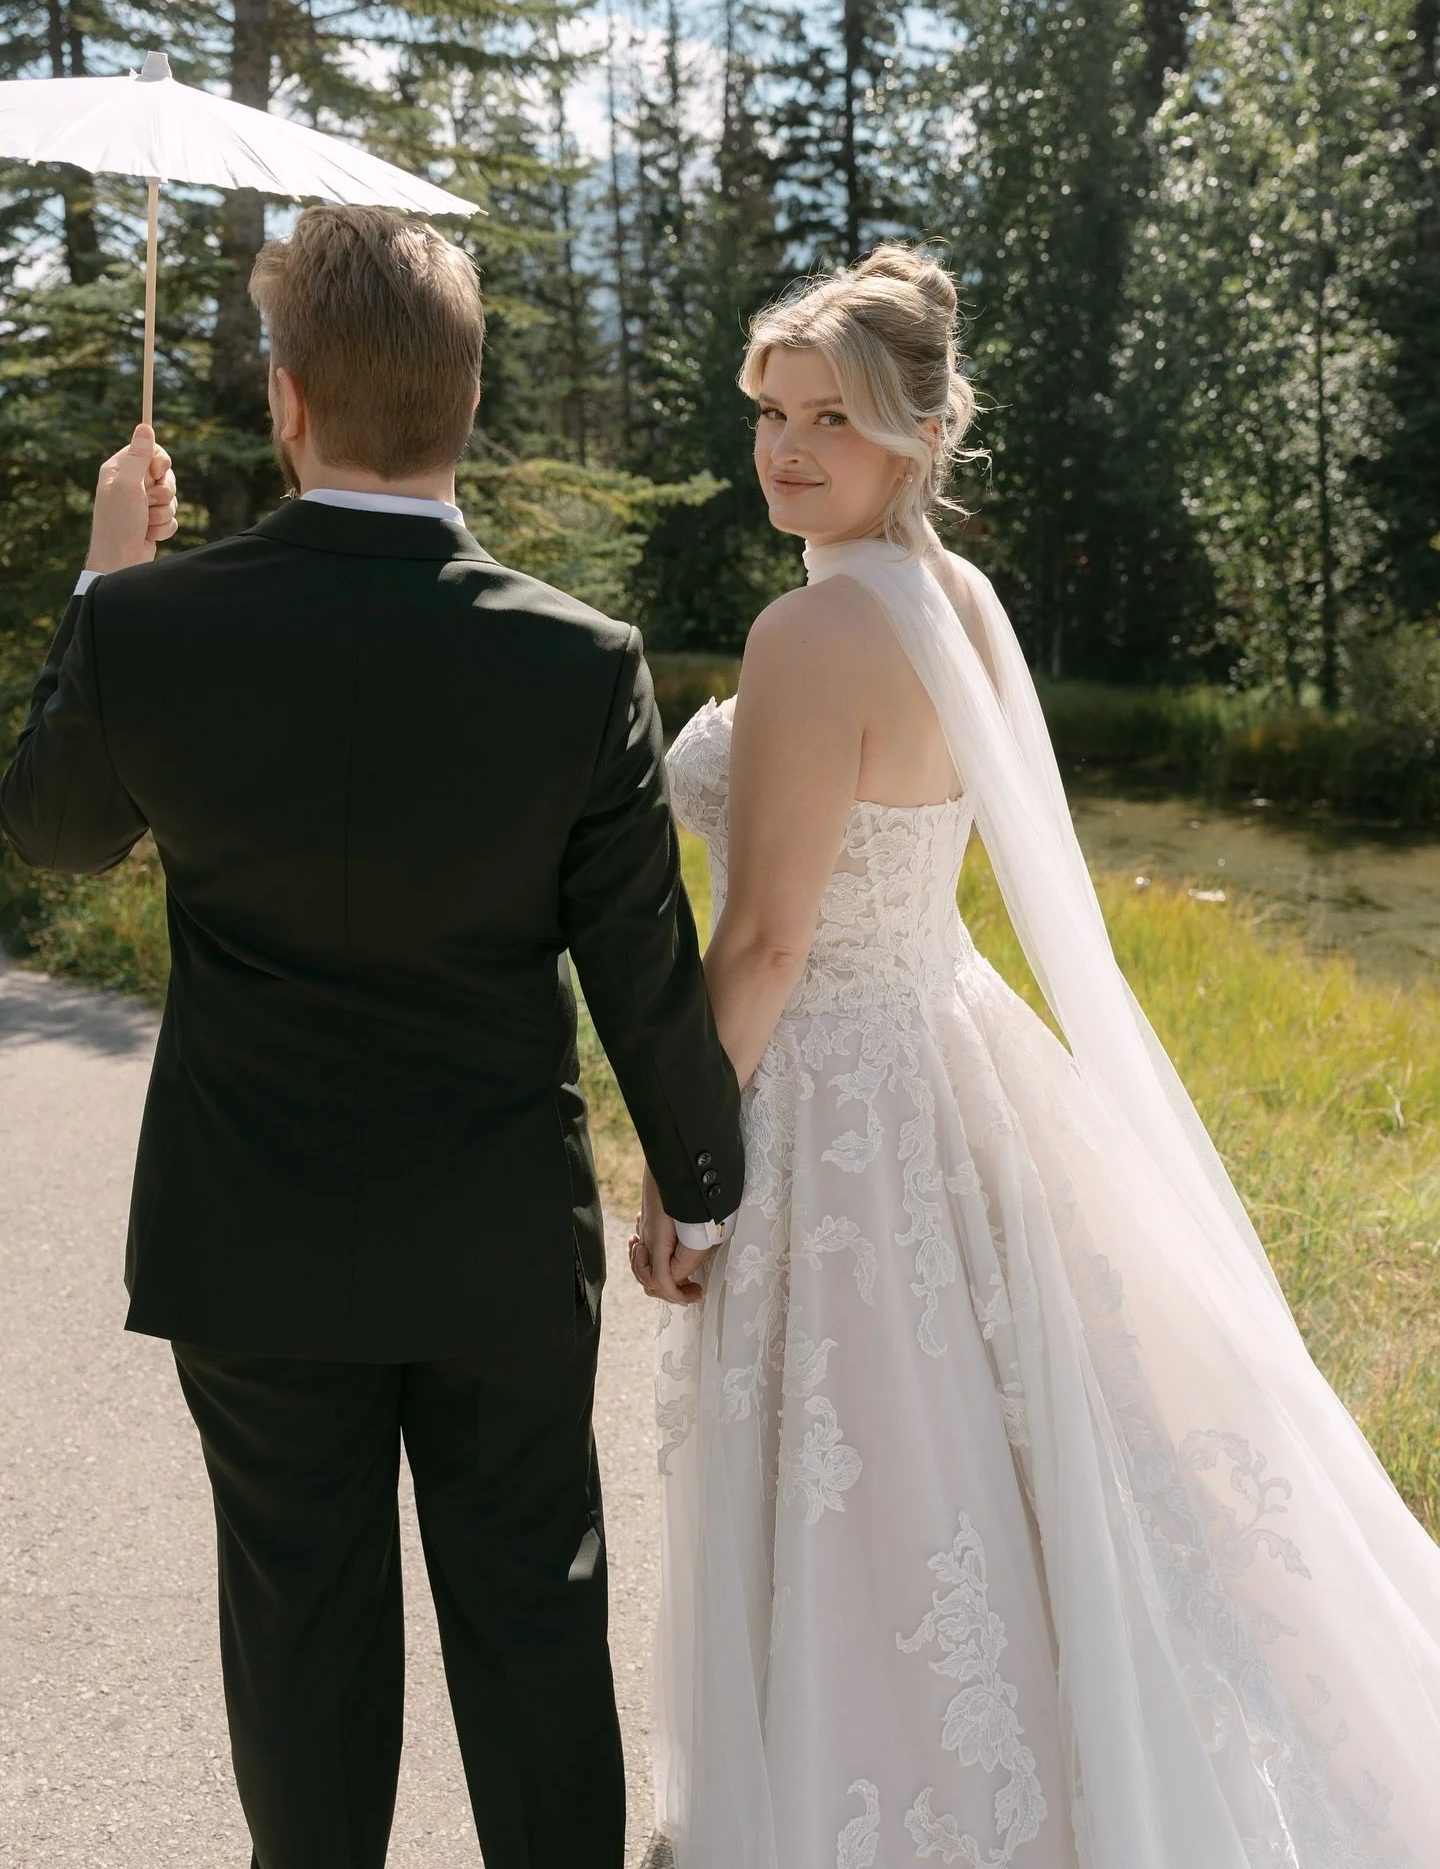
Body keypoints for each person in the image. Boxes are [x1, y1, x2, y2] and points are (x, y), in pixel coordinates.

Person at [635, 244, 1440, 1869]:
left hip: (844, 1090)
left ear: (918, 436)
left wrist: (683, 1163)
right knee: (1008, 1457)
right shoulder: (958, 598)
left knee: (875, 1470)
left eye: (831, 422)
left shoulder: (808, 631)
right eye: (773, 417)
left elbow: (771, 940)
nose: (788, 453)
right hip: (959, 1052)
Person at [0, 204, 743, 1869]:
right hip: (493, 1243)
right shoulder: (582, 660)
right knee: (536, 1623)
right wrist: (701, 1182)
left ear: (284, 402)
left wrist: (106, 577)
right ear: (466, 403)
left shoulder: (152, 625)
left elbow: (49, 836)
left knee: (301, 1636)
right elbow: (642, 964)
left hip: (251, 1243)